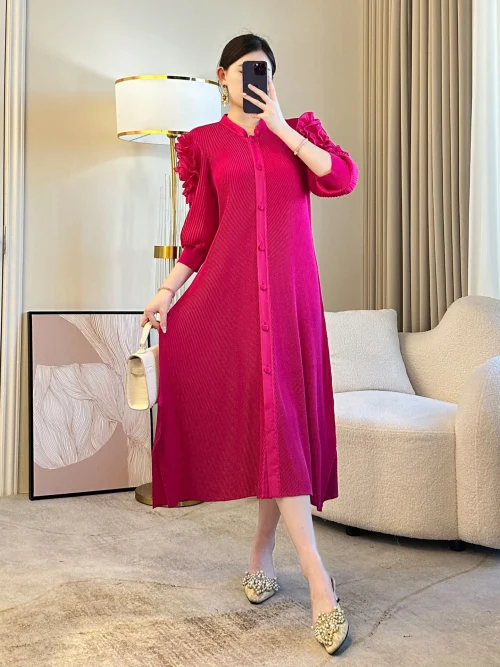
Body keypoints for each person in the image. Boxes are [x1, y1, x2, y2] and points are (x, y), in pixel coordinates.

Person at [141, 33, 358, 654]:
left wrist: (283, 128)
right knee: (272, 426)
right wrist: (167, 291)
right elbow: (202, 233)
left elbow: (341, 178)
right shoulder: (205, 144)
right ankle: (318, 580)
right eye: (245, 69)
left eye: (265, 69)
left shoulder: (298, 133)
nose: (255, 78)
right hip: (236, 305)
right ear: (222, 76)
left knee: (279, 426)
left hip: (290, 305)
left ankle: (266, 553)